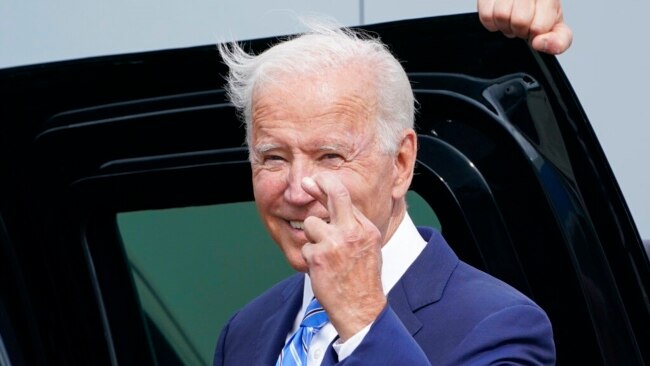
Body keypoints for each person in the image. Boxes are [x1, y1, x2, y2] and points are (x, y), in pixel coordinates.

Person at [214, 1, 570, 365]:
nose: (296, 189)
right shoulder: (244, 332)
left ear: (400, 164)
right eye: (274, 157)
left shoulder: (499, 326)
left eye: (330, 156)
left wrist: (363, 318)